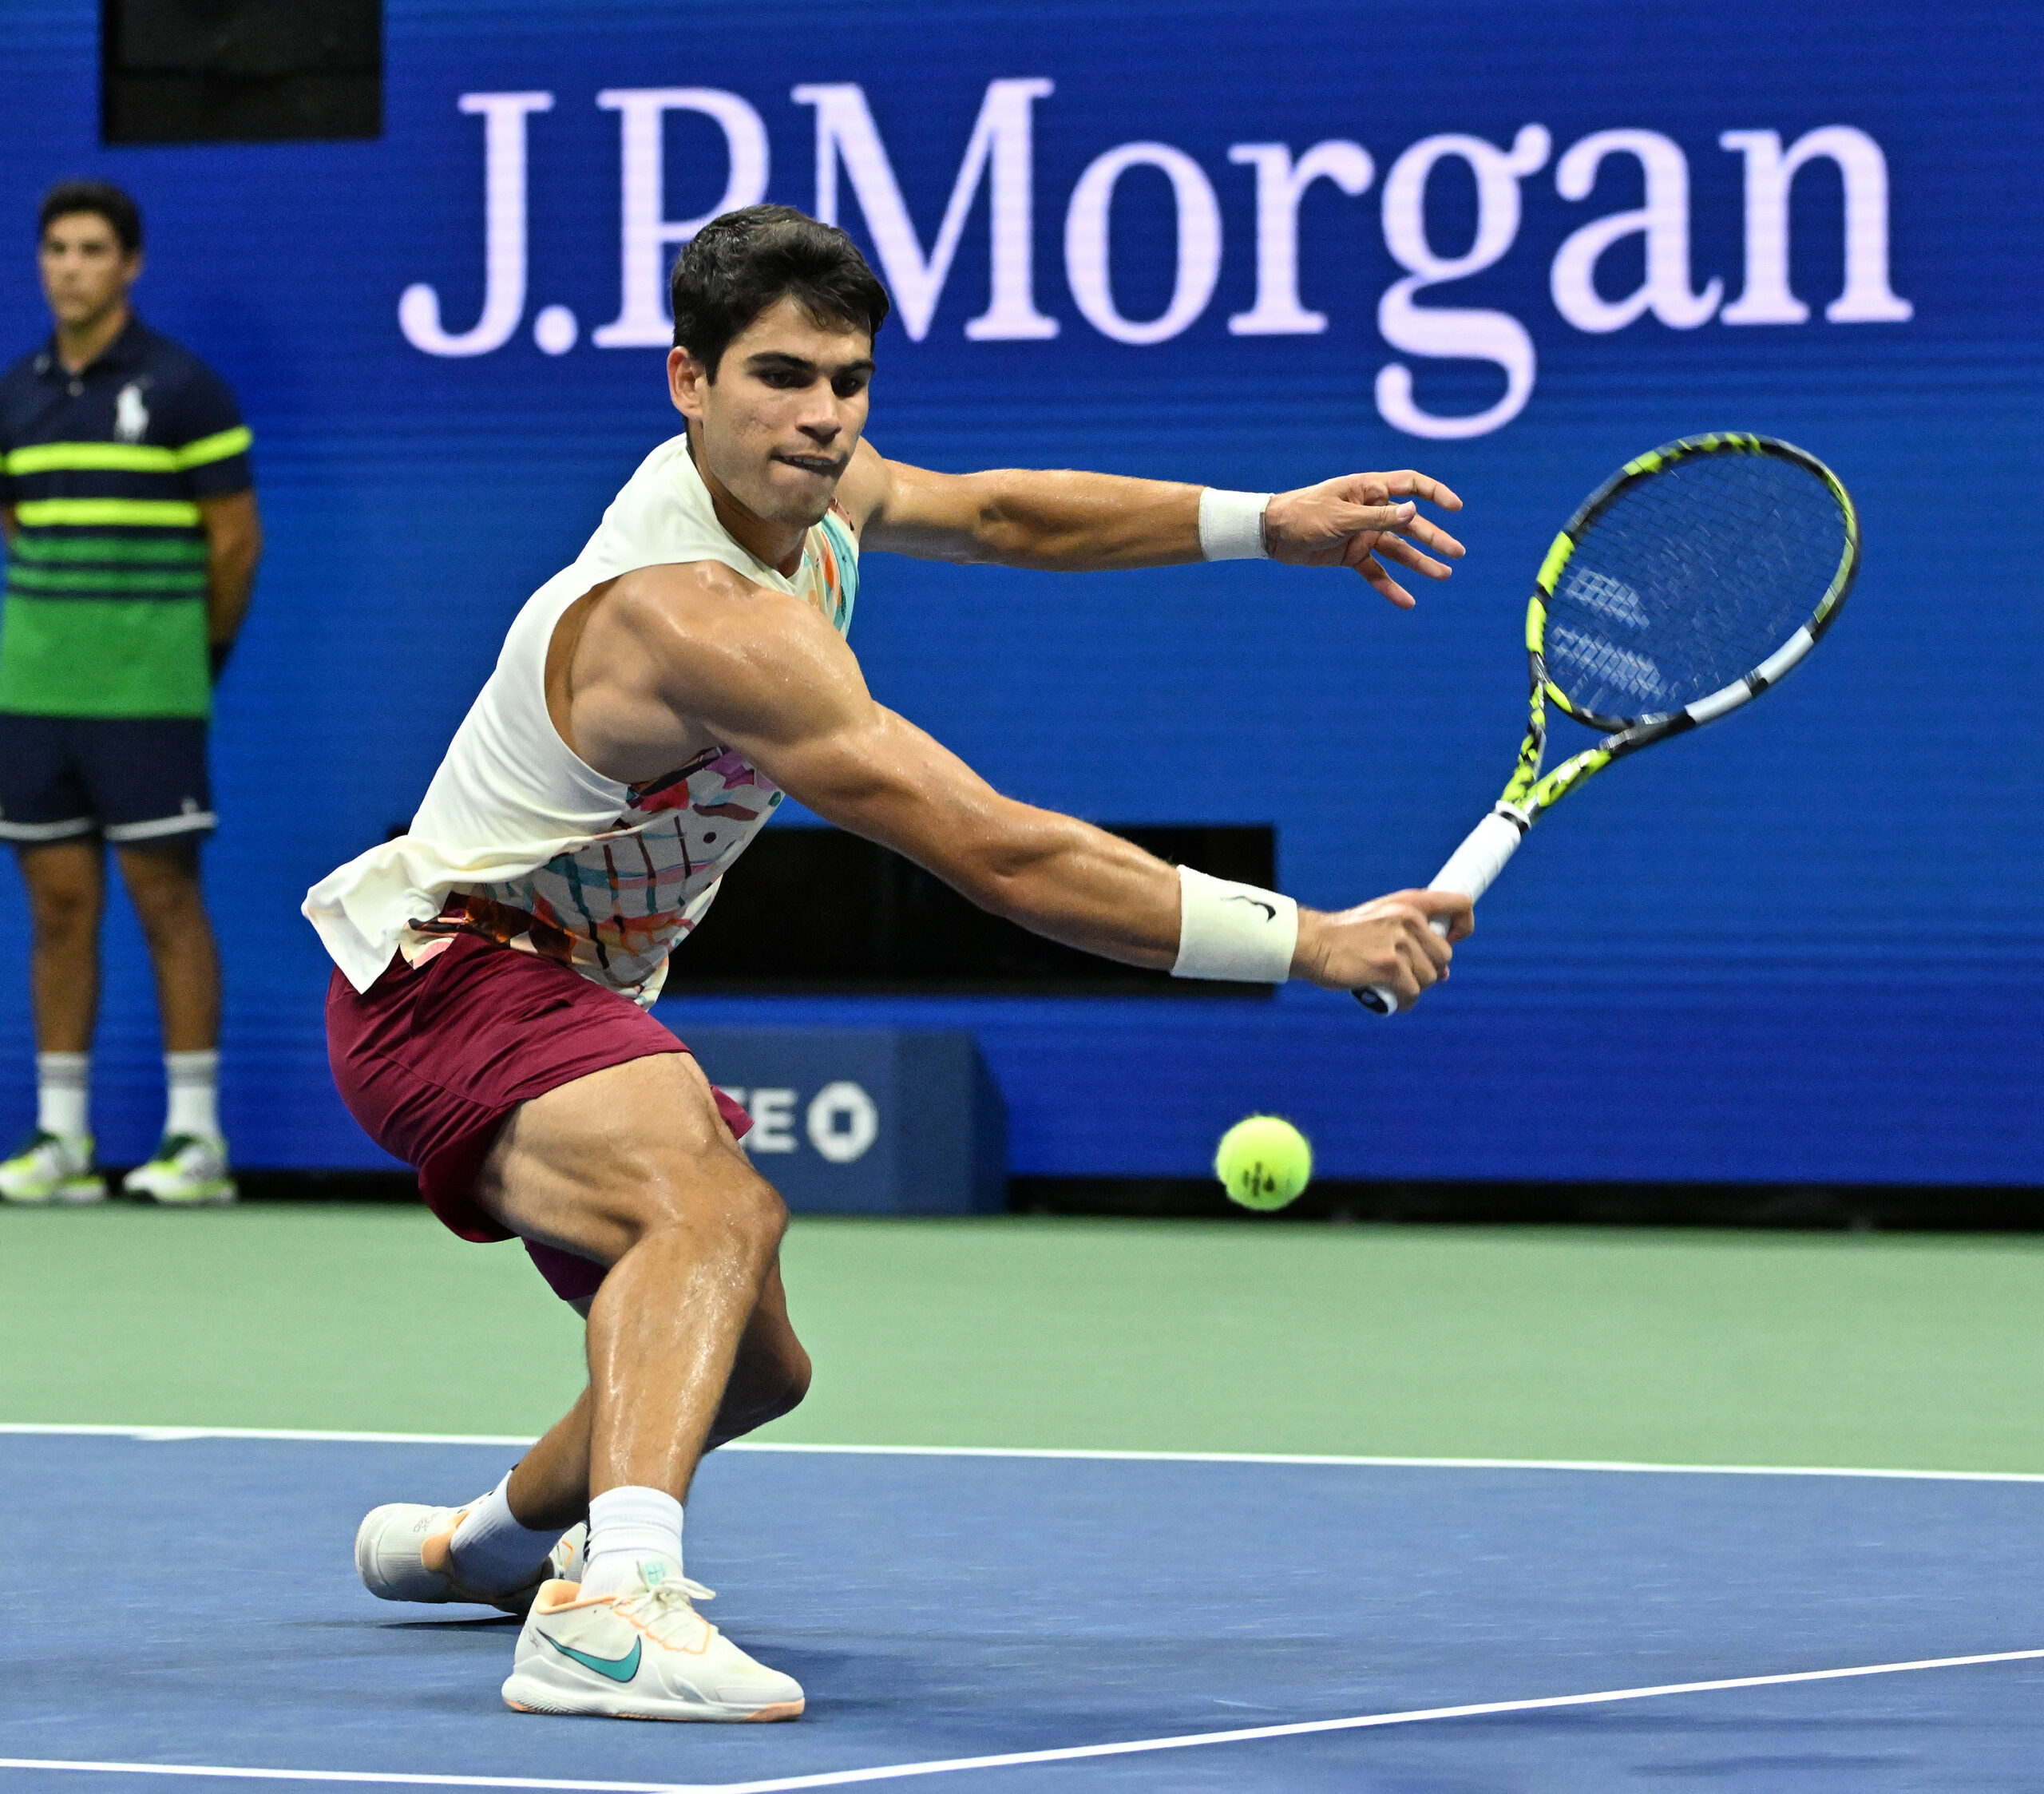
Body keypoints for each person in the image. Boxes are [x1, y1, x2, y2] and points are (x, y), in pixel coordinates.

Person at [306, 204, 1474, 1723]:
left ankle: (480, 1548)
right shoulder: (695, 614)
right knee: (710, 1208)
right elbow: (1000, 853)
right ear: (688, 381)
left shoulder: (809, 491)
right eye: (780, 377)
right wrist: (1307, 938)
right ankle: (611, 1610)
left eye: (847, 380)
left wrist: (1270, 521)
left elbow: (997, 515)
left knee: (751, 1367)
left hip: (571, 989)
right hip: (447, 977)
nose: (822, 416)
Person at [0, 180, 259, 1206]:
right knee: (57, 909)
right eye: (57, 249)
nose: (72, 268)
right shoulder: (15, 392)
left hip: (150, 698)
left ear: (130, 264)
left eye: (93, 250)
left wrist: (188, 656)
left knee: (166, 901)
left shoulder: (184, 388)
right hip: (35, 697)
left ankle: (195, 1139)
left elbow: (234, 543)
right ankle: (61, 1137)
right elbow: (20, 527)